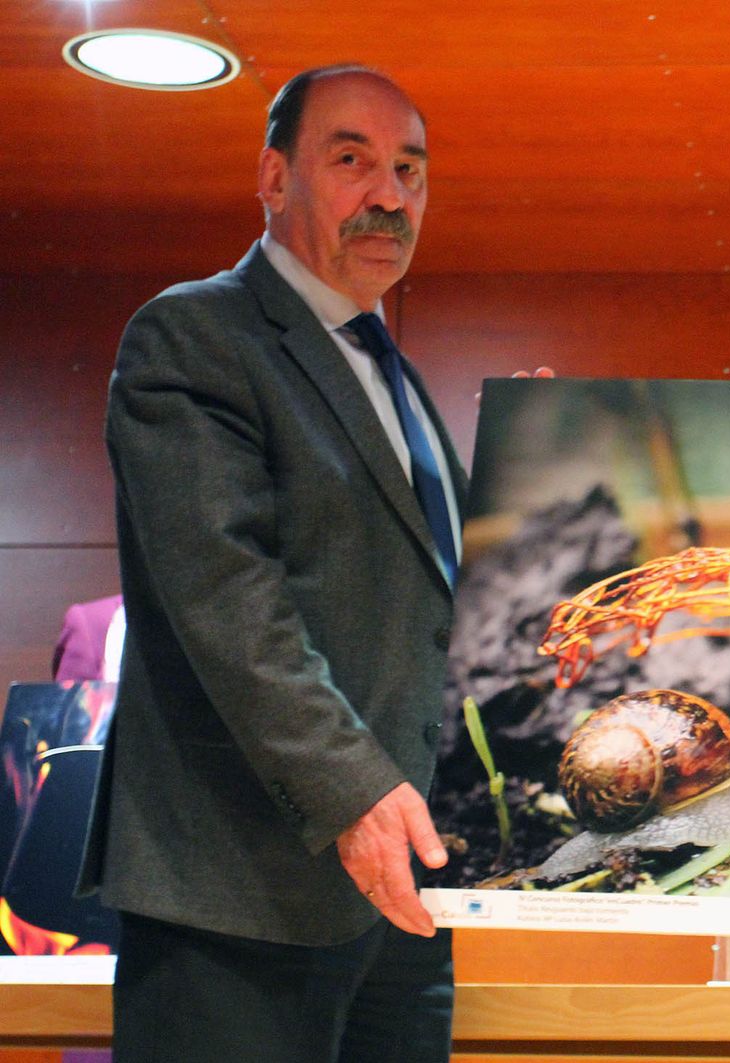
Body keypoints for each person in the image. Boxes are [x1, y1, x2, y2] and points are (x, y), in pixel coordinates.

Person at [78, 65, 466, 1063]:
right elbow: (226, 600)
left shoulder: (396, 377)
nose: (389, 195)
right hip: (238, 903)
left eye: (410, 170)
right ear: (273, 177)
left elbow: (431, 610)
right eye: (352, 160)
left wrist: (522, 492)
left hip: (402, 904)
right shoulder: (196, 334)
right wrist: (353, 794)